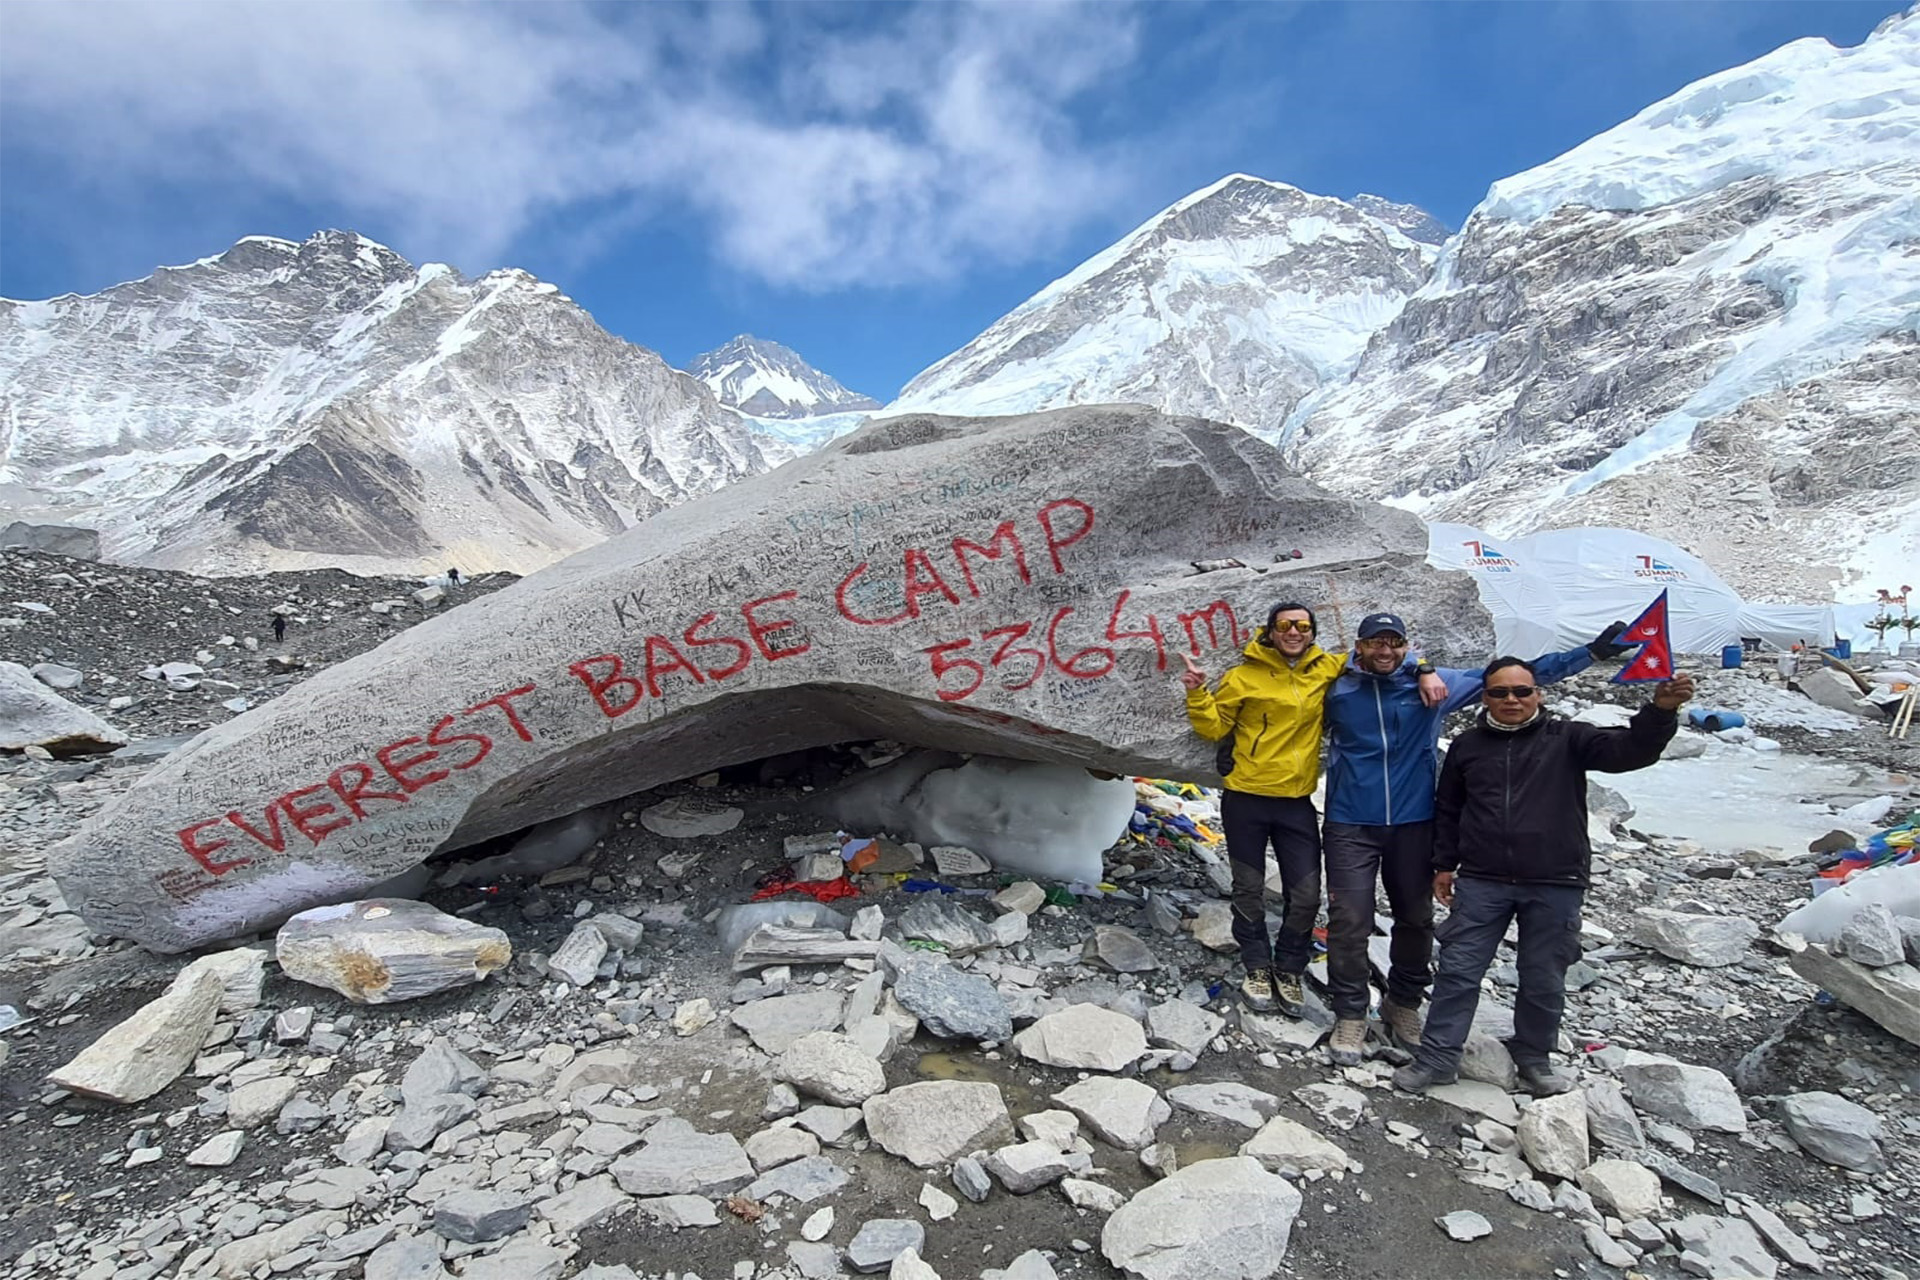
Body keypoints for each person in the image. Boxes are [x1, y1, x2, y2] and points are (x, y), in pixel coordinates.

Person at [1318, 613, 1630, 1065]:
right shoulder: (1337, 688)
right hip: (1351, 822)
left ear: (1406, 645)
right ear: (1358, 647)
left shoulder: (1436, 686)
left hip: (1414, 821)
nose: (1384, 651)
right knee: (1348, 919)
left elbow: (1515, 680)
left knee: (1415, 917)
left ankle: (1402, 1003)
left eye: (1395, 643)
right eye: (1374, 643)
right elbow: (1287, 693)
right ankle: (1350, 1013)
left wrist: (1593, 653)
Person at [1393, 661, 1694, 1097]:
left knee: (1543, 976)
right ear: (1485, 698)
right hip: (1482, 878)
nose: (1511, 700)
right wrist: (1443, 864)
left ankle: (1534, 1058)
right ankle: (1438, 1058)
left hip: (1555, 879)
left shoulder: (1569, 738)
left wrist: (1660, 711)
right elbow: (1449, 808)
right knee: (1458, 971)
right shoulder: (1468, 745)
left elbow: (1631, 752)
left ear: (1539, 695)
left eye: (1521, 691)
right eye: (1500, 693)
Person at [1181, 602, 1444, 1015]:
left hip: (1295, 800)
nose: (1294, 631)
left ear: (1312, 632)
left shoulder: (1326, 668)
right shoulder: (1244, 676)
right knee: (1248, 889)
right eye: (1285, 625)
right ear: (1269, 631)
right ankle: (1255, 965)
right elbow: (1213, 727)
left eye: (1302, 625)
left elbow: (1381, 654)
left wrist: (1424, 667)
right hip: (1246, 797)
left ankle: (1288, 966)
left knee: (1305, 895)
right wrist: (1197, 691)